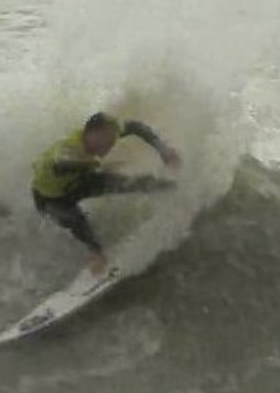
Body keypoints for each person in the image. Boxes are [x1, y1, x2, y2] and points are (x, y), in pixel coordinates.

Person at [31, 112, 181, 274]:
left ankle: (175, 187)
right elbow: (61, 163)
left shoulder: (104, 134)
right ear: (91, 133)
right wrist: (94, 164)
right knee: (75, 219)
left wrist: (163, 150)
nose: (110, 145)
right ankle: (97, 255)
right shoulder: (68, 146)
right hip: (51, 199)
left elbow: (135, 127)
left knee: (128, 183)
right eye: (107, 140)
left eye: (112, 140)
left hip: (80, 182)